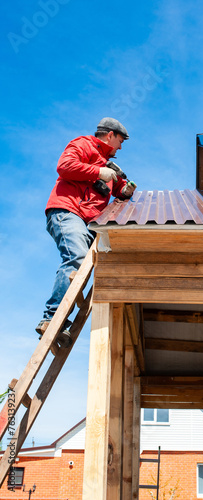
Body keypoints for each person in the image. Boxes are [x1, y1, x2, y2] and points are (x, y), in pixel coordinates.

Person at [36, 117, 136, 346]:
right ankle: (51, 318)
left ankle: (59, 321)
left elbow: (119, 191)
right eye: (120, 140)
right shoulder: (83, 145)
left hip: (90, 222)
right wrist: (98, 172)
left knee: (84, 268)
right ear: (109, 135)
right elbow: (64, 166)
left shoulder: (111, 167)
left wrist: (126, 190)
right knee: (77, 258)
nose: (121, 146)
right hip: (68, 211)